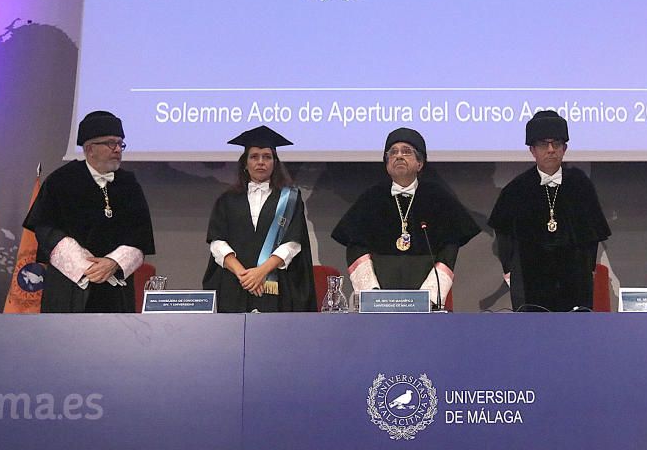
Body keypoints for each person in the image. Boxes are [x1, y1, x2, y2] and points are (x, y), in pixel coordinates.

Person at [331, 127, 479, 309]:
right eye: (393, 152)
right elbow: (355, 245)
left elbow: (449, 248)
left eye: (406, 151)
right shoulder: (371, 198)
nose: (399, 156)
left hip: (425, 294)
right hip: (379, 297)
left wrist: (430, 296)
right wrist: (372, 293)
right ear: (386, 163)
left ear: (420, 163)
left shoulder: (438, 198)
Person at [23, 111, 154, 313]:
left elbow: (140, 236)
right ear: (90, 148)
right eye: (111, 143)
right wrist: (87, 267)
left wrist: (113, 262)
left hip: (115, 287)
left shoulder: (129, 184)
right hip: (70, 286)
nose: (118, 149)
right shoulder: (61, 181)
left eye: (121, 144)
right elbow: (46, 230)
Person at [488, 110, 610, 311]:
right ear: (532, 150)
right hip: (529, 284)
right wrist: (512, 274)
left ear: (565, 148)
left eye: (557, 144)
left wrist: (587, 270)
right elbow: (505, 241)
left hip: (575, 282)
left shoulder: (580, 185)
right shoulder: (516, 190)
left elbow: (591, 238)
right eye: (544, 144)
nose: (551, 150)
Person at [203, 126, 316, 312]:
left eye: (267, 156)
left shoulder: (290, 199)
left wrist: (261, 272)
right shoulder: (227, 200)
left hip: (276, 285)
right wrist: (244, 275)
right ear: (245, 164)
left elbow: (293, 243)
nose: (261, 162)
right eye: (254, 156)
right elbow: (217, 242)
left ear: (275, 163)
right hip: (235, 283)